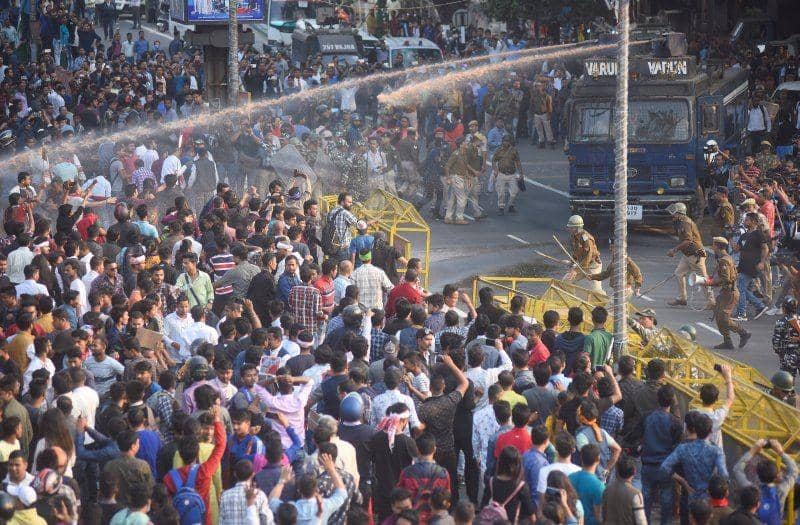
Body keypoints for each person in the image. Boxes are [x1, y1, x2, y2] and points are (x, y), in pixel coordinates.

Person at [700, 237, 752, 349]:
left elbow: (726, 279)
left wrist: (709, 283)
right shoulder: (724, 258)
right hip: (725, 292)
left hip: (730, 293)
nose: (712, 247)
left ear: (717, 246)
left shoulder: (724, 260)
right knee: (719, 317)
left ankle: (743, 333)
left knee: (723, 318)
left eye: (713, 245)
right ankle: (727, 341)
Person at [732, 438, 798, 524]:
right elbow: (794, 470)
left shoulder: (751, 490)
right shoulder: (781, 490)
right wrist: (780, 452)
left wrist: (753, 450)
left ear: (758, 475)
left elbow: (737, 469)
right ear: (776, 477)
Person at [666, 202, 715, 309]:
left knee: (703, 279)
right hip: (687, 255)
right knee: (678, 273)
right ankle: (682, 298)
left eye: (674, 213)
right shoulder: (680, 222)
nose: (672, 215)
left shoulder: (685, 223)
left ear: (680, 214)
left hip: (695, 255)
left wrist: (675, 250)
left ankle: (711, 302)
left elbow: (688, 240)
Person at [563, 215, 603, 294]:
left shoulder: (586, 238)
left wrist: (575, 270)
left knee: (596, 290)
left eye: (571, 228)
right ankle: (570, 300)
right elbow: (576, 251)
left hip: (593, 265)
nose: (569, 229)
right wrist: (572, 261)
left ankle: (605, 305)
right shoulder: (574, 236)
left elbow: (588, 256)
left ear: (578, 227)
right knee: (566, 281)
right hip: (582, 265)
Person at [602, 455, 646, 525]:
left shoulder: (607, 490)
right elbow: (641, 520)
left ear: (617, 472)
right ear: (634, 472)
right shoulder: (635, 494)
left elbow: (603, 515)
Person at [491, 134, 523, 215]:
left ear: (510, 142)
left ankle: (510, 205)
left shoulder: (514, 150)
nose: (506, 143)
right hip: (501, 174)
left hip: (512, 174)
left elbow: (518, 162)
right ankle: (501, 207)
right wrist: (495, 170)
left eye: (507, 141)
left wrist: (521, 173)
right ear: (502, 142)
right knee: (501, 192)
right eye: (504, 141)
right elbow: (494, 160)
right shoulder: (499, 150)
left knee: (515, 191)